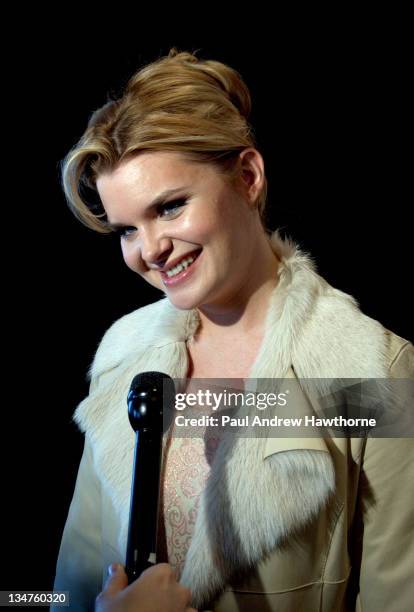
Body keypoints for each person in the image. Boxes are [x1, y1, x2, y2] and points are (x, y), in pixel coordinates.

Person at [52, 48, 414, 611]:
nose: (150, 250)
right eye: (126, 230)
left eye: (170, 207)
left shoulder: (368, 368)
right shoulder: (125, 352)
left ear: (247, 176)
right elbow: (68, 588)